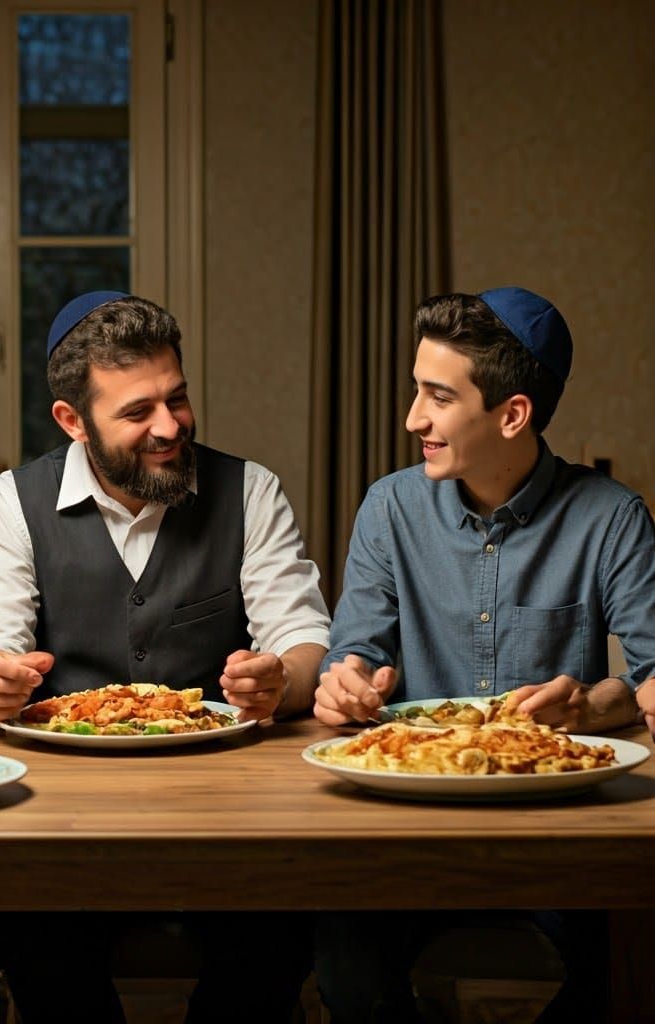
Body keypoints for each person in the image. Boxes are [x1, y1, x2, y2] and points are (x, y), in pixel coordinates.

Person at [0, 290, 332, 1023]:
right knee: (33, 941)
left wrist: (279, 681)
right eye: (136, 413)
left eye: (177, 399)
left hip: (227, 817)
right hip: (64, 824)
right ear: (73, 421)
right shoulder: (12, 501)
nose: (168, 427)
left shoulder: (249, 491)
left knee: (279, 935)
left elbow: (305, 641)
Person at [314, 287, 655, 1023]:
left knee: (634, 964)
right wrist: (341, 684)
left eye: (438, 397)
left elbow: (652, 677)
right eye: (417, 391)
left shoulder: (613, 517)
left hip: (563, 834)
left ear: (512, 414)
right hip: (411, 828)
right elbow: (353, 652)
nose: (413, 419)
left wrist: (599, 704)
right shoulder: (388, 508)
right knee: (343, 961)